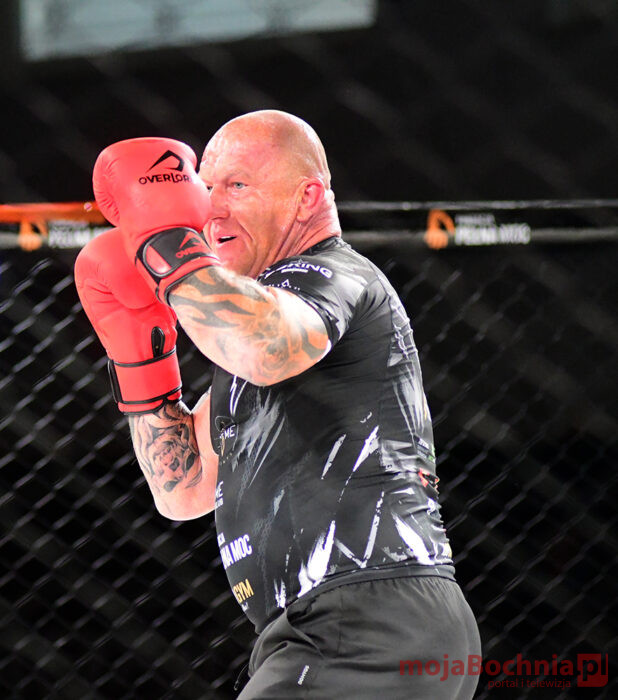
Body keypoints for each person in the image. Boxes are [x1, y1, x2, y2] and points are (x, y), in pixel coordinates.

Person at [75, 111, 481, 698]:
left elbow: (265, 346)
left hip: (369, 617)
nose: (210, 209)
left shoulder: (333, 276)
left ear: (306, 198)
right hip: (325, 627)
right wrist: (141, 357)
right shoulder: (254, 335)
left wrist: (167, 248)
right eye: (204, 187)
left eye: (236, 185)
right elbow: (182, 489)